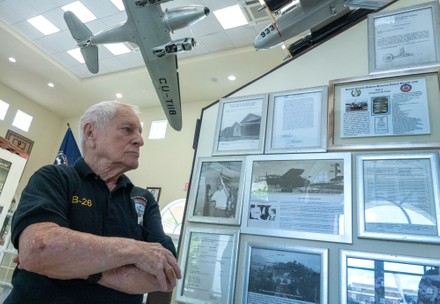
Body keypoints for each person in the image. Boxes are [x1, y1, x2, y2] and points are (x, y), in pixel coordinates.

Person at [5, 101, 181, 304]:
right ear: (90, 133)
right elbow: (40, 249)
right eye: (127, 130)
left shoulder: (144, 199)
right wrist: (138, 251)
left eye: (139, 132)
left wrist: (77, 268)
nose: (140, 140)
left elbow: (165, 273)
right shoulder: (53, 177)